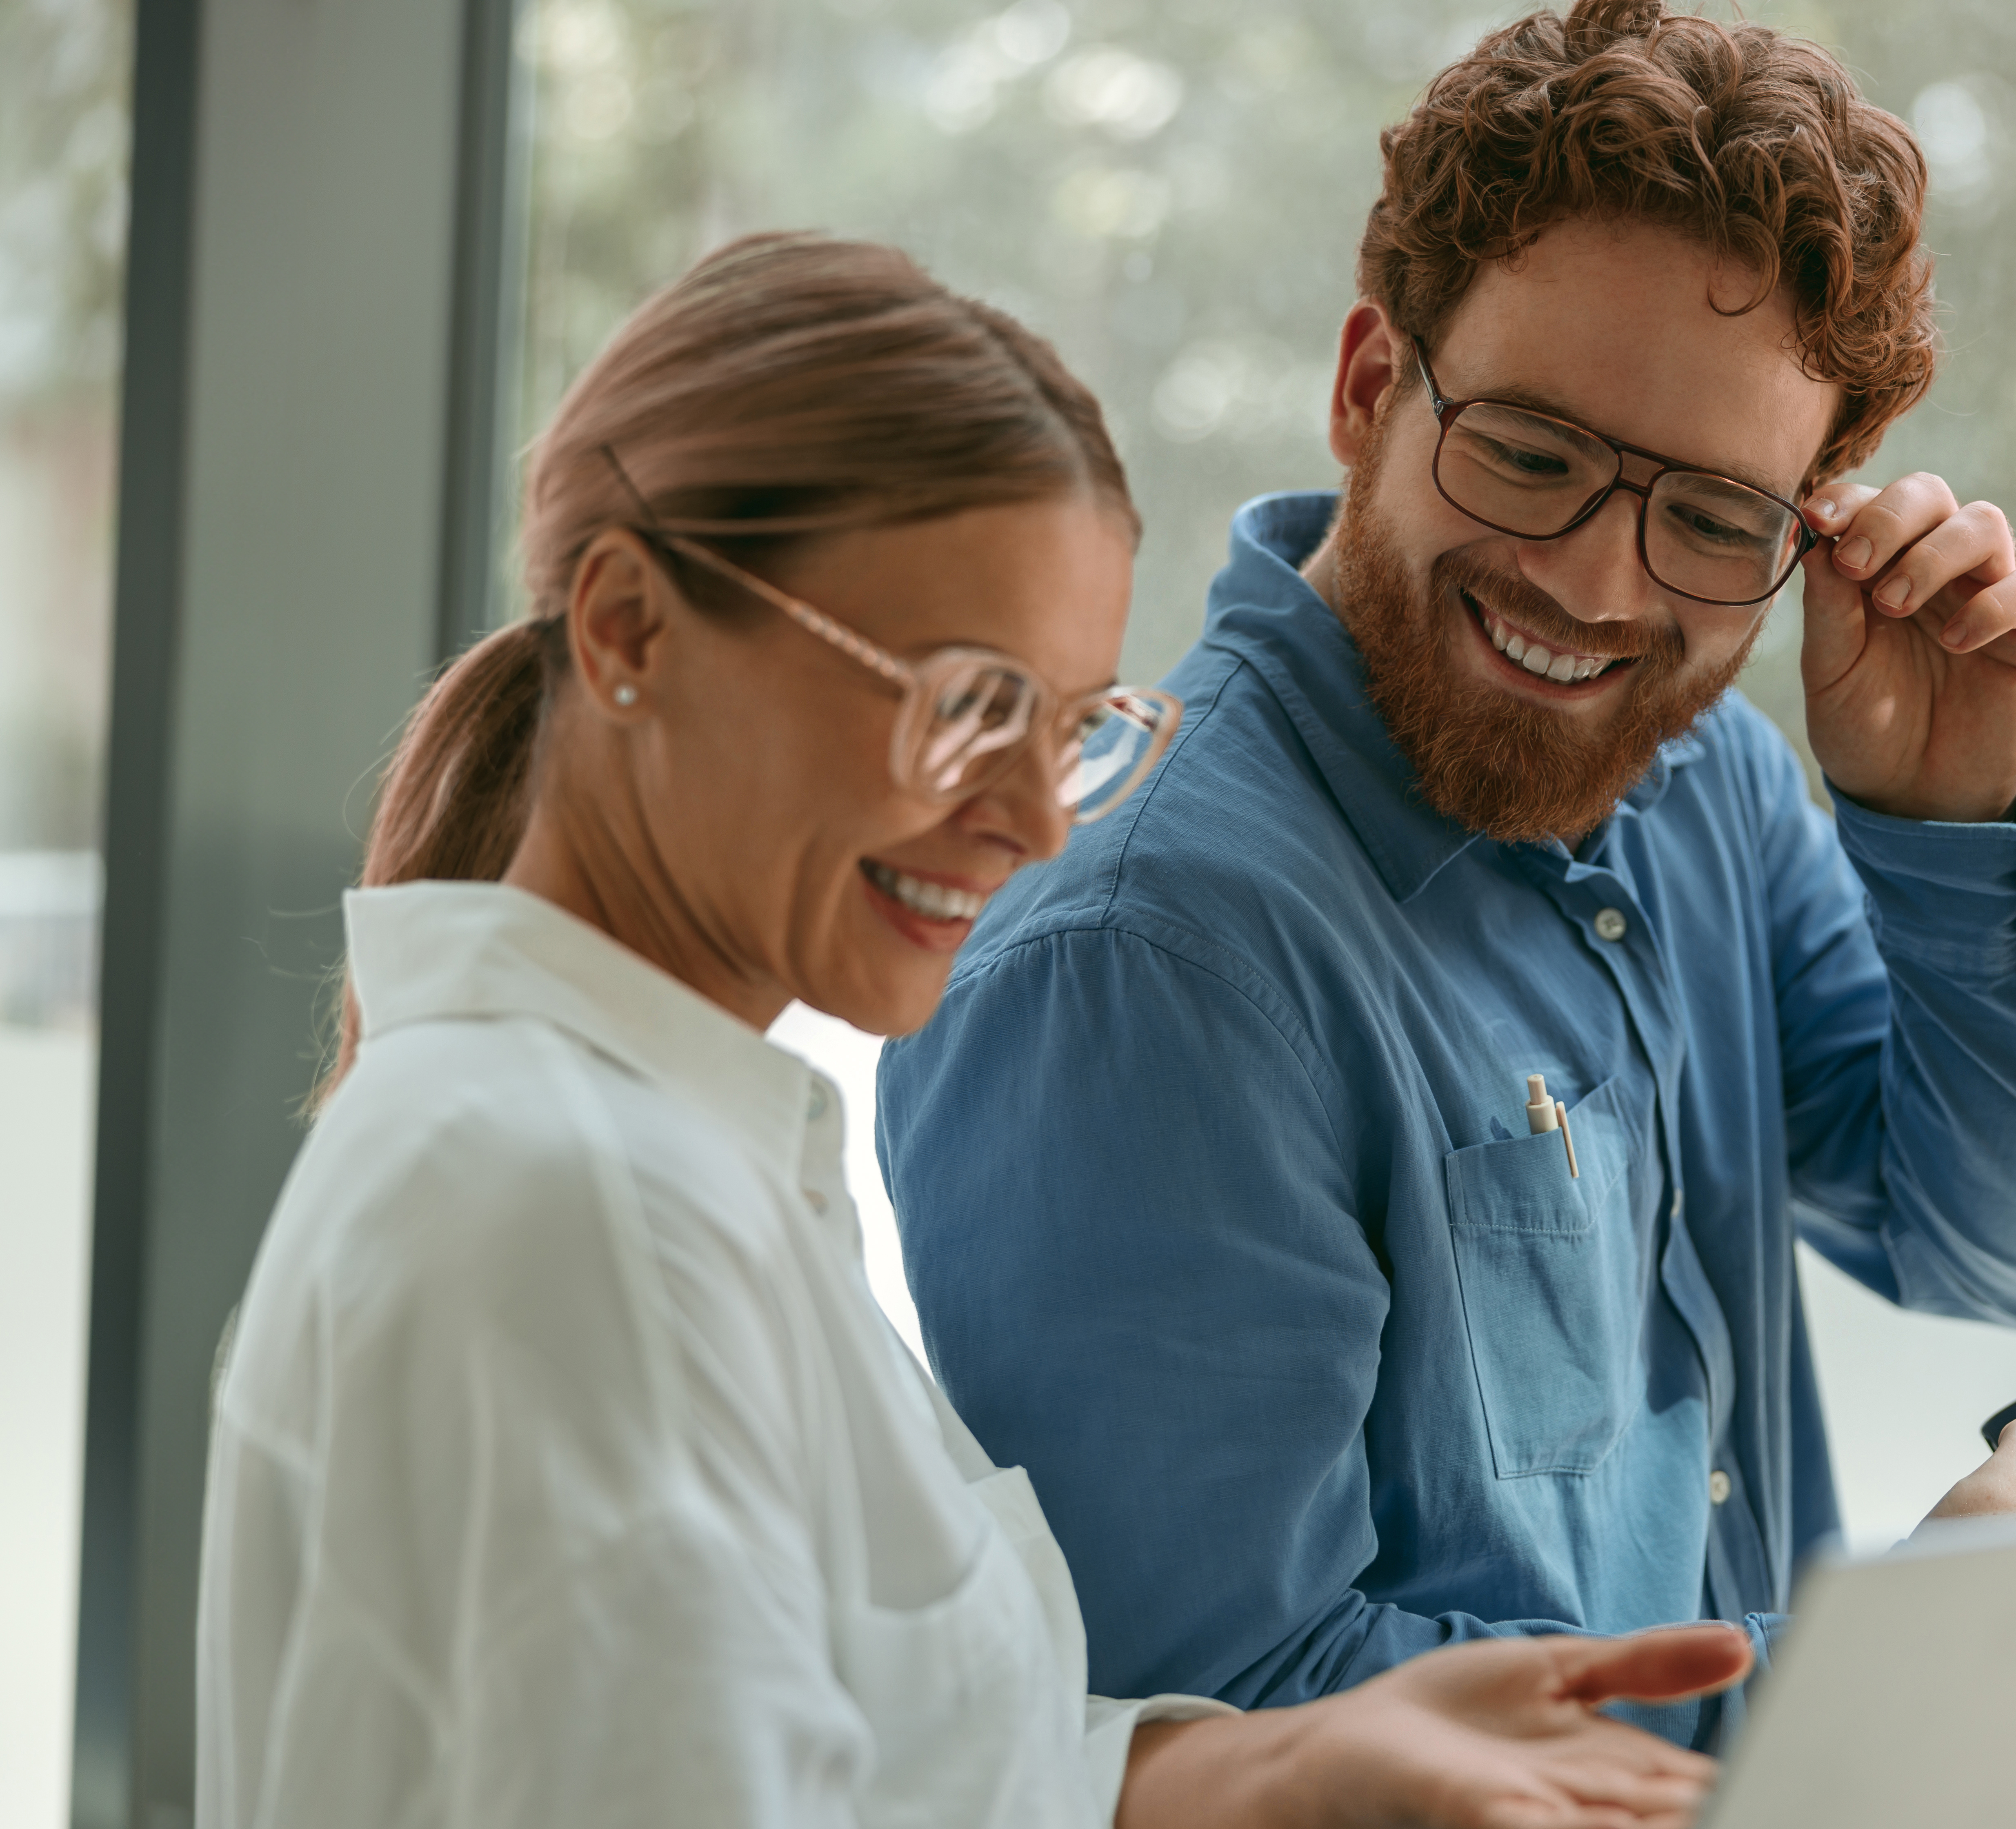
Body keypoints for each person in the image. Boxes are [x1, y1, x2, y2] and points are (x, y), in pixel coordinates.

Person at [195, 231, 1785, 1829]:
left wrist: (1278, 1765)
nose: (1034, 825)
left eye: (1074, 726)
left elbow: (893, 1774)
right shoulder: (586, 1218)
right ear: (629, 630)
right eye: (963, 703)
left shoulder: (652, 1162)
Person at [878, 0, 2016, 1749]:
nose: (1600, 588)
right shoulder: (1145, 957)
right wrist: (1849, 1703)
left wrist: (1951, 829)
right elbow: (1214, 1723)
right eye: (1534, 455)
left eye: (1711, 519)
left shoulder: (1705, 785)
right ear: (1368, 391)